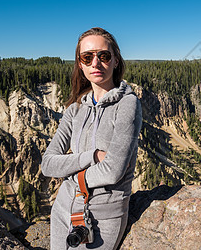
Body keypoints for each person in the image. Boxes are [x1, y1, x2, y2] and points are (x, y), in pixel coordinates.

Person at [41, 27, 142, 249]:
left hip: (103, 217)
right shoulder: (75, 108)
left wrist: (69, 174)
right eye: (87, 57)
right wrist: (93, 156)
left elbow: (114, 170)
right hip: (63, 210)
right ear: (80, 64)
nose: (95, 63)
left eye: (103, 56)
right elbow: (48, 165)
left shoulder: (127, 104)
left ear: (115, 61)